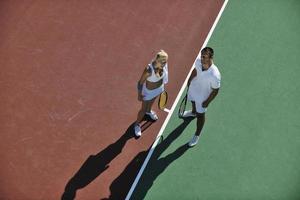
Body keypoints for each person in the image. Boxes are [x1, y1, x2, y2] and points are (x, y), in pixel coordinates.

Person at [183, 47, 221, 147]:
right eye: (201, 55)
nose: (201, 58)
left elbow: (216, 90)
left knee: (201, 116)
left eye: (204, 56)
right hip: (194, 88)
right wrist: (190, 79)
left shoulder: (215, 74)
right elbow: (195, 70)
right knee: (193, 102)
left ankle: (196, 135)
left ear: (210, 57)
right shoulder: (198, 61)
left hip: (203, 96)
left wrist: (207, 102)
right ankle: (193, 112)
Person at [134, 50, 169, 137]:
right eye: (163, 62)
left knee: (151, 103)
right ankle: (137, 124)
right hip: (148, 92)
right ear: (158, 61)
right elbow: (140, 83)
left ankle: (149, 112)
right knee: (143, 110)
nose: (165, 64)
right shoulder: (149, 70)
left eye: (165, 62)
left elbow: (164, 76)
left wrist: (162, 87)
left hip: (158, 89)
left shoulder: (164, 65)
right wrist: (139, 94)